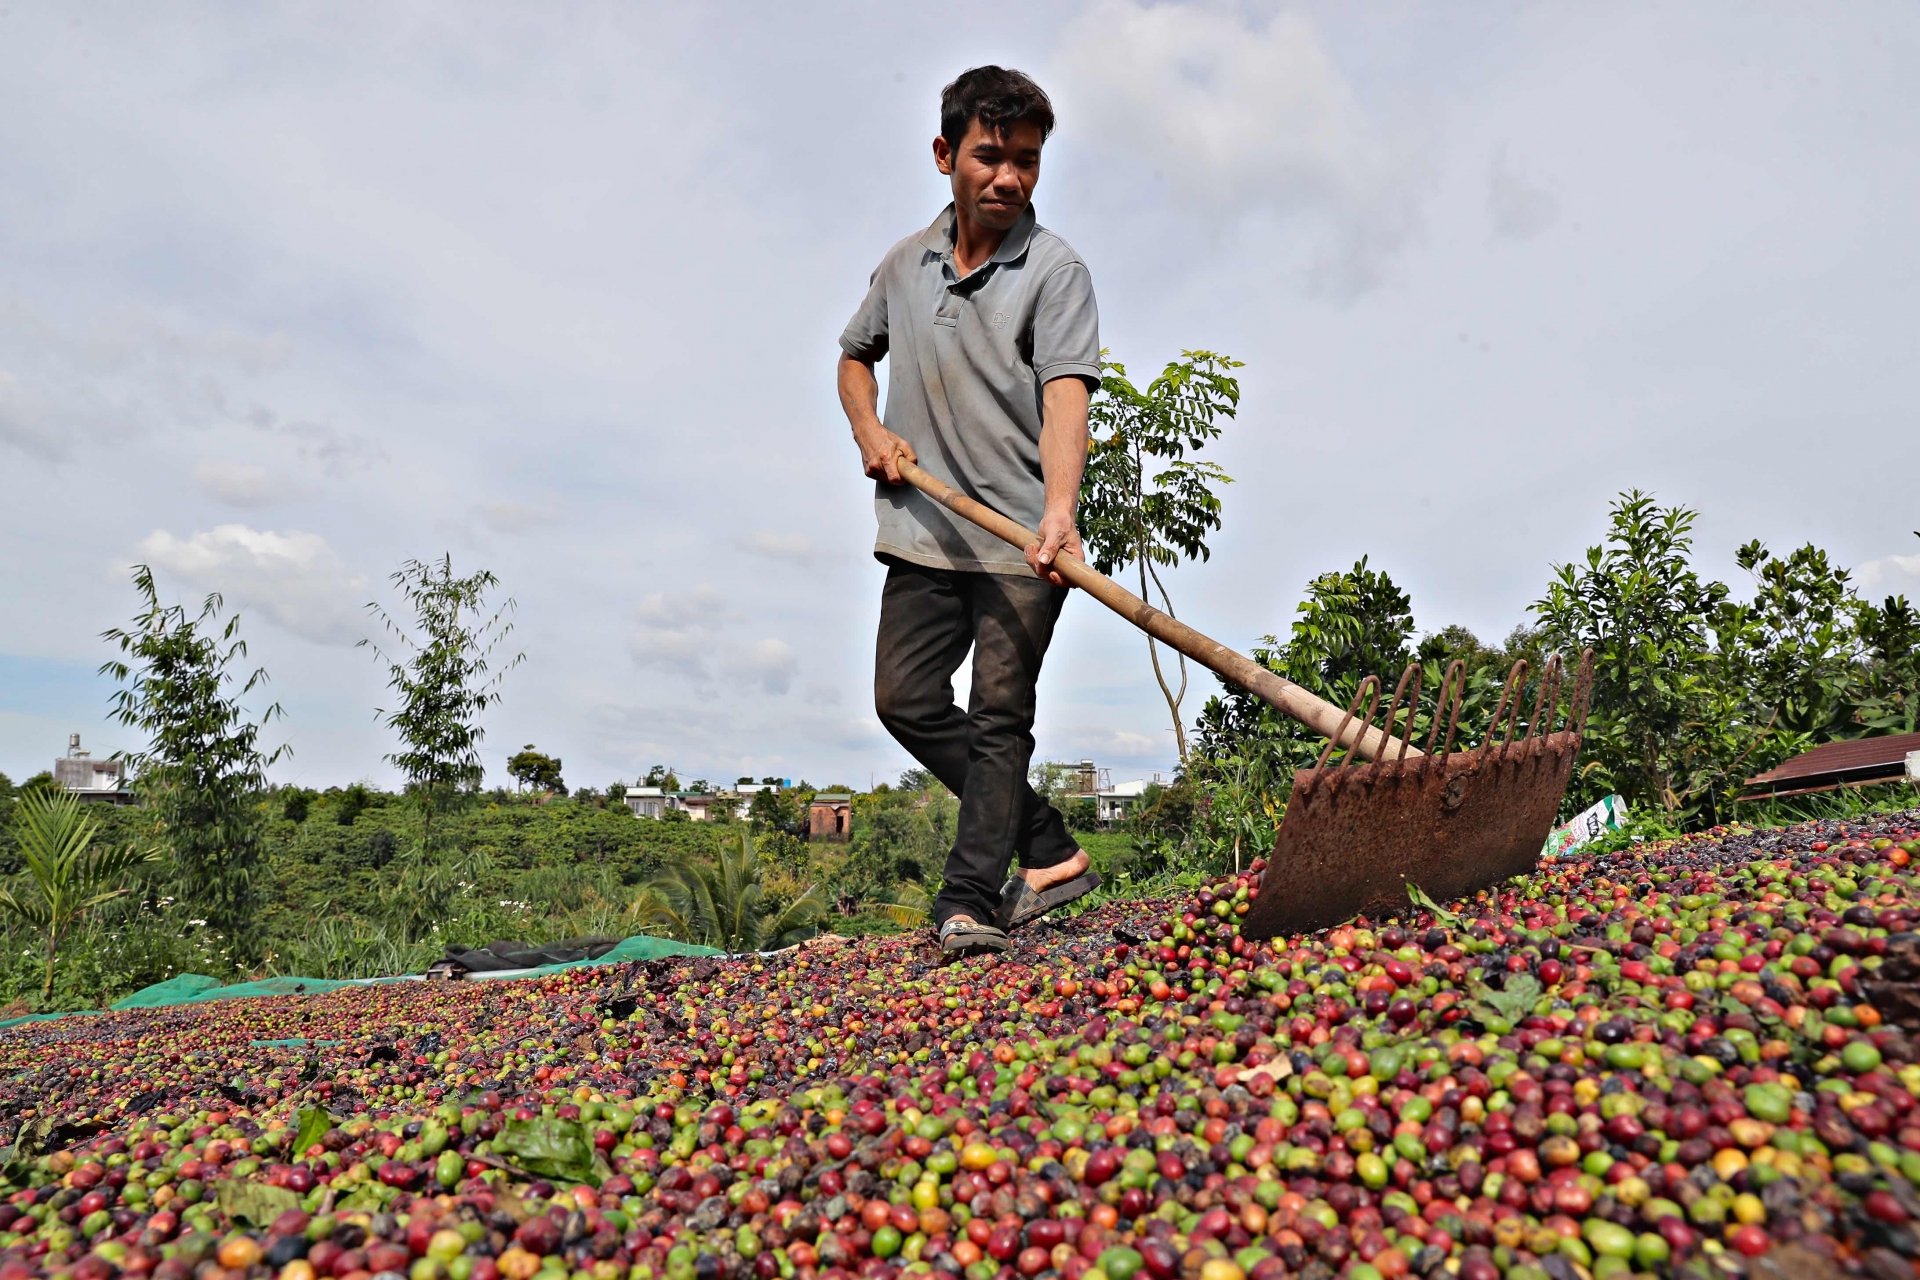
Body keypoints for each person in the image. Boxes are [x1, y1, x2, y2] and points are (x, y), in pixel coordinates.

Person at [836, 66, 1103, 958]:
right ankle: (1052, 848)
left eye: (1027, 162)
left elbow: (1067, 396)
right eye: (991, 156)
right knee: (904, 699)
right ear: (947, 154)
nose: (1009, 178)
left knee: (999, 718)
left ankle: (971, 900)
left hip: (1024, 539)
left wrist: (1058, 513)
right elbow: (853, 357)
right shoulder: (904, 266)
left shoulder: (1055, 271)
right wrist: (871, 428)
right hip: (924, 528)